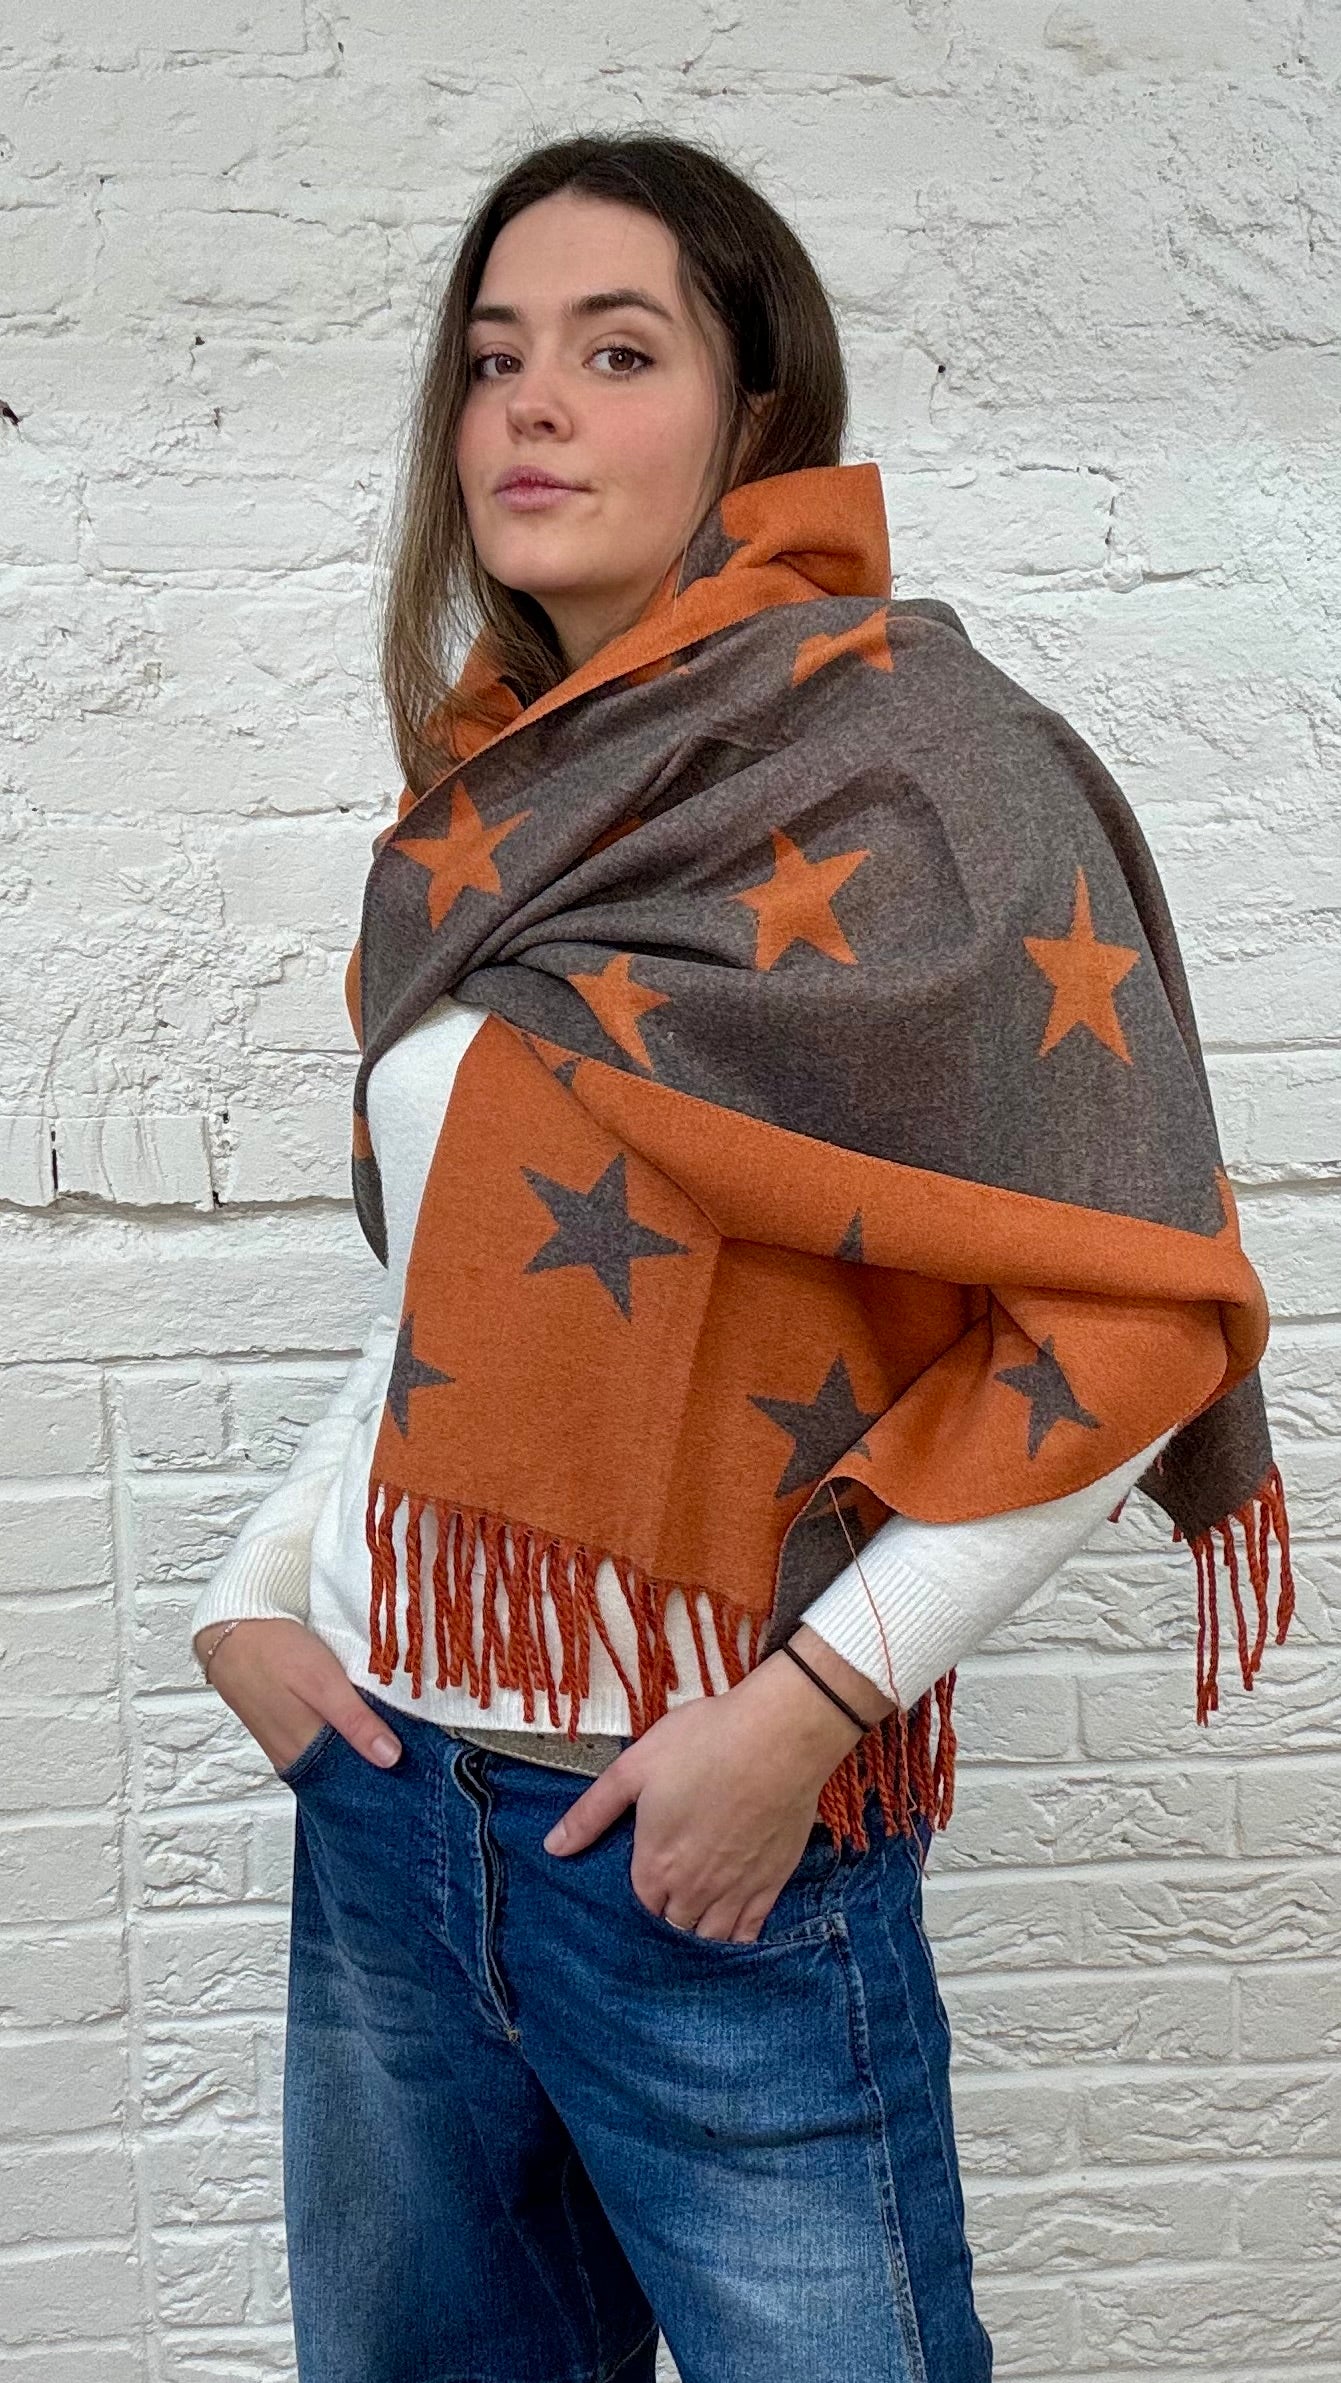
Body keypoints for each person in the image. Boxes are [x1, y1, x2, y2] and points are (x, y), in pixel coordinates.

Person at [190, 131, 1290, 2383]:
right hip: (388, 1809)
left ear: (756, 410)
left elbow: (1131, 1313)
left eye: (616, 352)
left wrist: (803, 1714)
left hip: (701, 1840)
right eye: (493, 357)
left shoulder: (921, 767)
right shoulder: (499, 795)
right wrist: (258, 1585)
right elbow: (459, 1305)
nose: (529, 405)